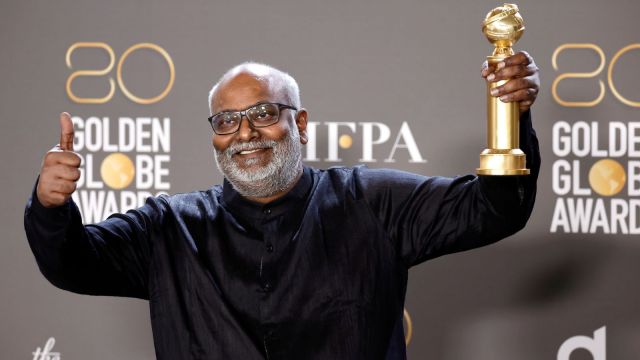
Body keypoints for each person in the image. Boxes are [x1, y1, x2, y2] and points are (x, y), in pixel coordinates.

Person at [25, 53, 540, 359]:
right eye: (226, 121)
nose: (245, 132)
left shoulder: (374, 202)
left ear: (300, 124)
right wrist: (51, 206)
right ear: (214, 137)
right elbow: (72, 262)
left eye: (264, 113)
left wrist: (510, 117)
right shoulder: (168, 228)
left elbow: (493, 209)